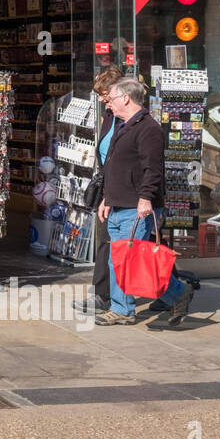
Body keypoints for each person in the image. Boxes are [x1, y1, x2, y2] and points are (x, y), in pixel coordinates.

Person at [94, 78, 195, 326]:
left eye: (113, 99)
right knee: (117, 259)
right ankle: (123, 308)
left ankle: (176, 293)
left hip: (135, 205)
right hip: (119, 203)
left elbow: (153, 169)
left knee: (135, 261)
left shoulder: (148, 128)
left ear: (126, 98)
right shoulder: (123, 125)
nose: (109, 105)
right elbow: (113, 166)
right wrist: (107, 197)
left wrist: (145, 198)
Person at [73, 66, 124, 316]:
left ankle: (103, 296)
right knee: (111, 241)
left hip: (123, 188)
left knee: (118, 242)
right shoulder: (109, 114)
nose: (103, 100)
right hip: (109, 183)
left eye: (105, 94)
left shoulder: (130, 118)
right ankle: (173, 290)